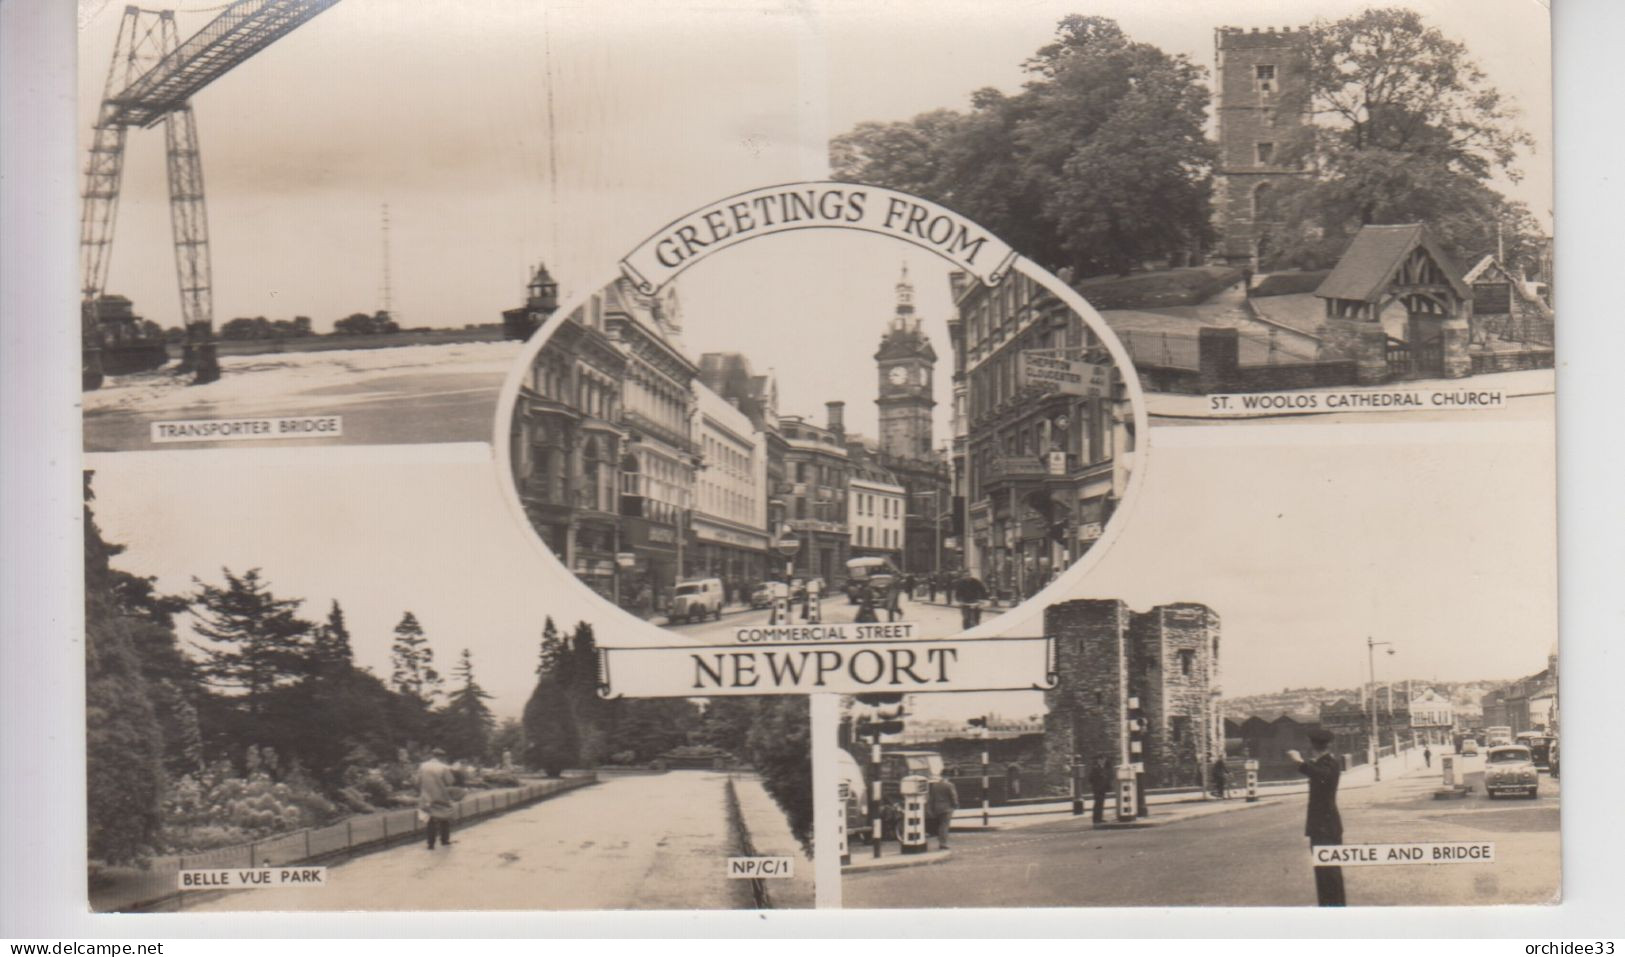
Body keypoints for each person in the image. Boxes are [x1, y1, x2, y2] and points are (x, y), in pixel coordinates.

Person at [1288, 729, 1346, 906]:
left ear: (1313, 746)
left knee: (1329, 873)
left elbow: (1321, 775)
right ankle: (1329, 909)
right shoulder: (1323, 763)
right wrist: (1307, 763)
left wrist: (1299, 762)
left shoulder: (1329, 764)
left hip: (1326, 827)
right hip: (1323, 826)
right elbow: (1317, 772)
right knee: (1323, 873)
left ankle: (1335, 911)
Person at [417, 747, 457, 850]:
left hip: (427, 797)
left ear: (432, 755)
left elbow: (418, 781)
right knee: (444, 817)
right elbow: (450, 781)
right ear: (442, 757)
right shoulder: (444, 767)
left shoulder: (423, 766)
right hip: (441, 795)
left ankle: (430, 844)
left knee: (430, 819)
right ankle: (444, 840)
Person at [926, 773, 959, 850]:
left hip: (937, 808)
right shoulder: (949, 785)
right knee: (944, 826)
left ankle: (941, 841)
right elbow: (953, 796)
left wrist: (930, 809)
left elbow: (931, 798)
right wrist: (955, 805)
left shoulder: (935, 786)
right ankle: (943, 843)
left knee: (940, 825)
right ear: (948, 776)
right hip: (946, 809)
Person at [1088, 756, 1111, 825]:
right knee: (1097, 803)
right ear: (1098, 760)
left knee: (1101, 803)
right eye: (1102, 760)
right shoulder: (1095, 768)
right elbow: (1091, 778)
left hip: (1102, 788)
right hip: (1097, 788)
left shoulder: (1103, 768)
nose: (1103, 761)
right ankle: (1096, 819)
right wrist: (1096, 785)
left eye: (1104, 760)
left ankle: (1100, 818)